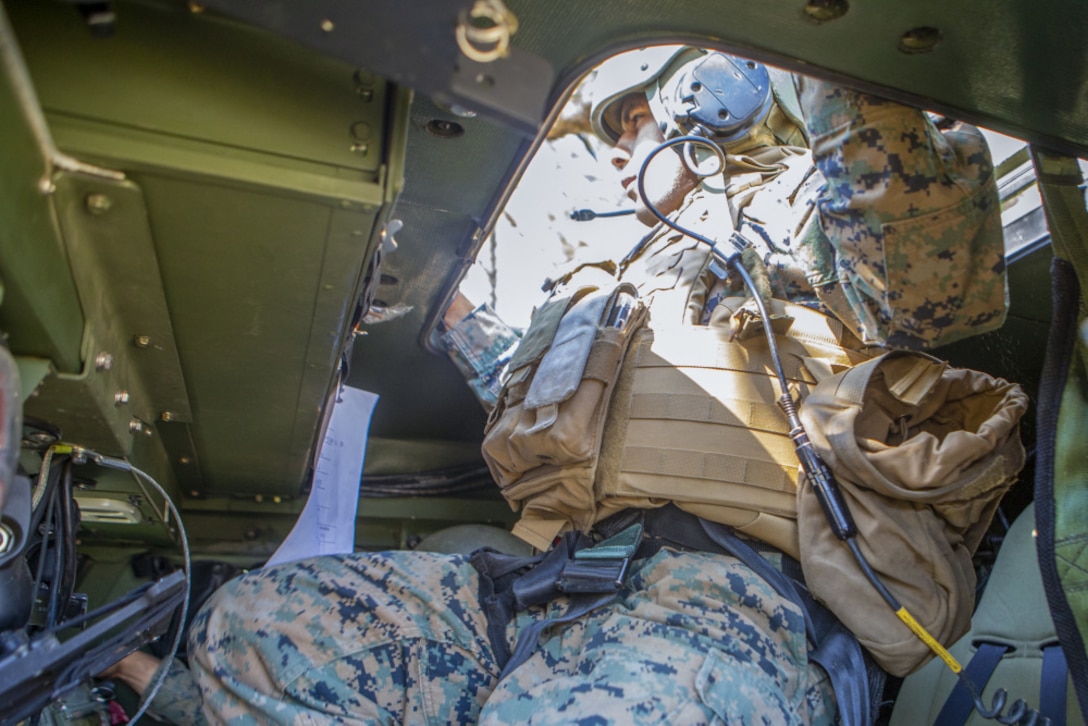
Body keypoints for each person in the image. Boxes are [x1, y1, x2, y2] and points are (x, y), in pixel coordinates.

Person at [123, 47, 1014, 724]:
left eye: (636, 129)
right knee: (253, 629)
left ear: (714, 107)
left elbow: (933, 295)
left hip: (746, 598)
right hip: (561, 578)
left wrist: (822, 69)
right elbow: (530, 399)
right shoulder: (618, 281)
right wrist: (445, 314)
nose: (621, 160)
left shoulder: (797, 220)